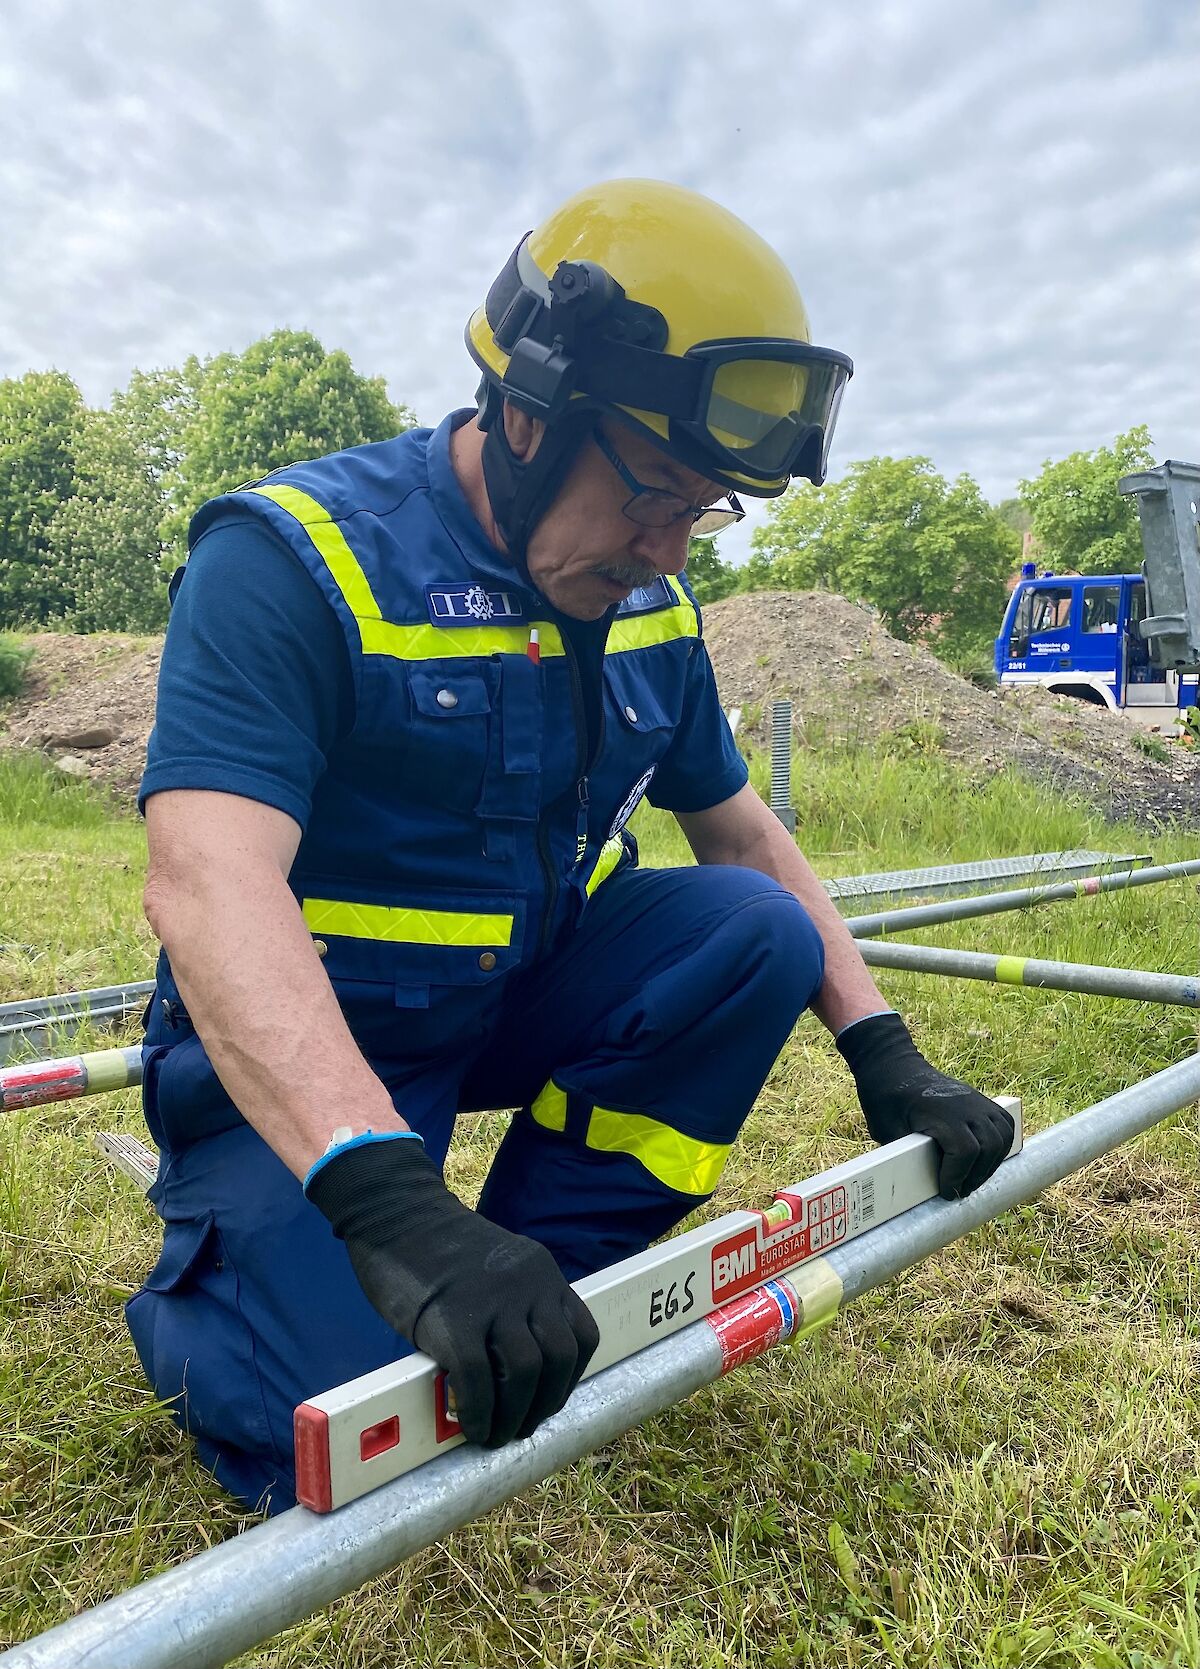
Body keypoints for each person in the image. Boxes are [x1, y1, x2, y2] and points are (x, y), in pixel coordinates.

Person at [130, 178, 1014, 1513]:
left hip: (516, 991)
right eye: (653, 489)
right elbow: (206, 879)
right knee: (331, 1428)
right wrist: (391, 1205)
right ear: (530, 413)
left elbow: (745, 835)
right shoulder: (293, 562)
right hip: (322, 1036)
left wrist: (885, 1050)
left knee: (752, 935)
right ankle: (242, 1281)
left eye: (704, 508)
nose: (667, 547)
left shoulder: (654, 606)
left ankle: (532, 1269)